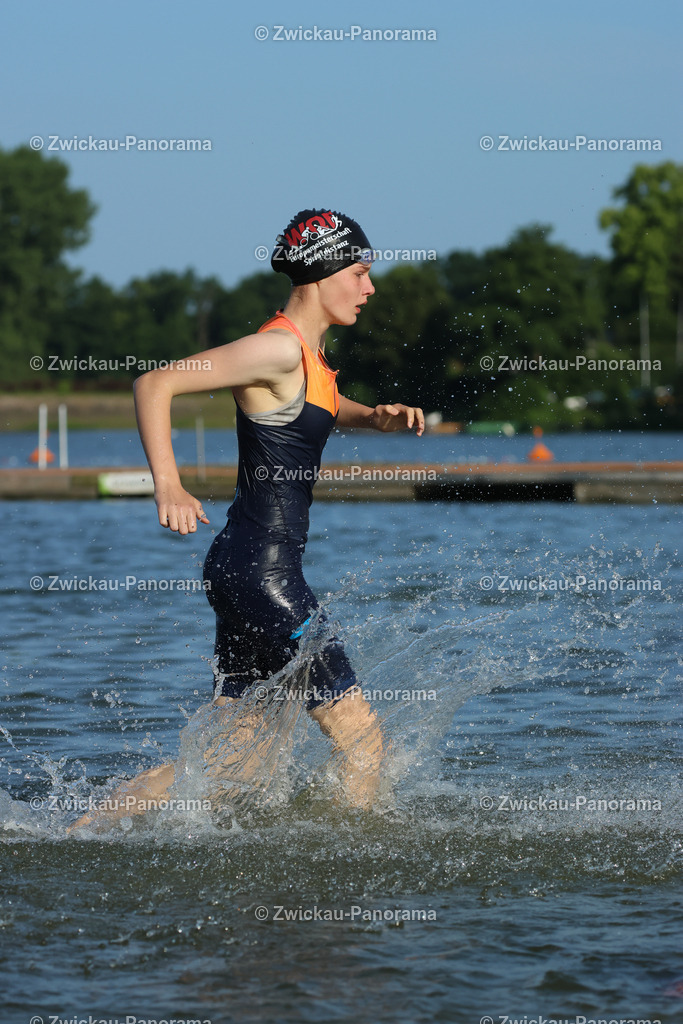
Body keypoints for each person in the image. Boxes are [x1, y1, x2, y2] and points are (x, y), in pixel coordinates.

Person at [70, 209, 424, 831]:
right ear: (322, 270)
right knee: (363, 742)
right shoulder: (278, 347)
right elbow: (155, 383)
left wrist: (376, 418)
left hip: (246, 569)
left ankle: (77, 835)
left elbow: (323, 405)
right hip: (264, 576)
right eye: (362, 272)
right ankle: (349, 868)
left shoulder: (304, 357)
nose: (370, 288)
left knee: (237, 761)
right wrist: (170, 486)